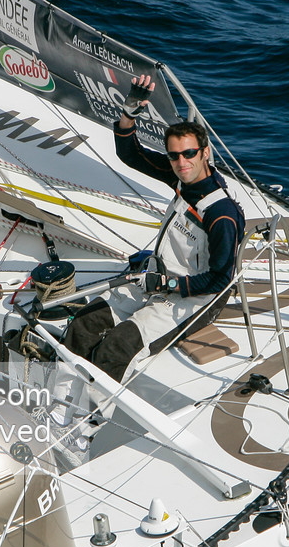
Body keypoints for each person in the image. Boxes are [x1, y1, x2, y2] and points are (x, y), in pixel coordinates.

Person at [64, 74, 245, 381]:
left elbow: (220, 280)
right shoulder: (180, 178)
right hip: (155, 278)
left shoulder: (221, 214)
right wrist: (129, 113)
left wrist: (169, 286)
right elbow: (130, 154)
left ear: (205, 153)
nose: (181, 162)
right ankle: (59, 398)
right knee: (83, 323)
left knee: (116, 350)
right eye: (174, 156)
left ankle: (91, 421)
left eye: (189, 154)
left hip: (193, 299)